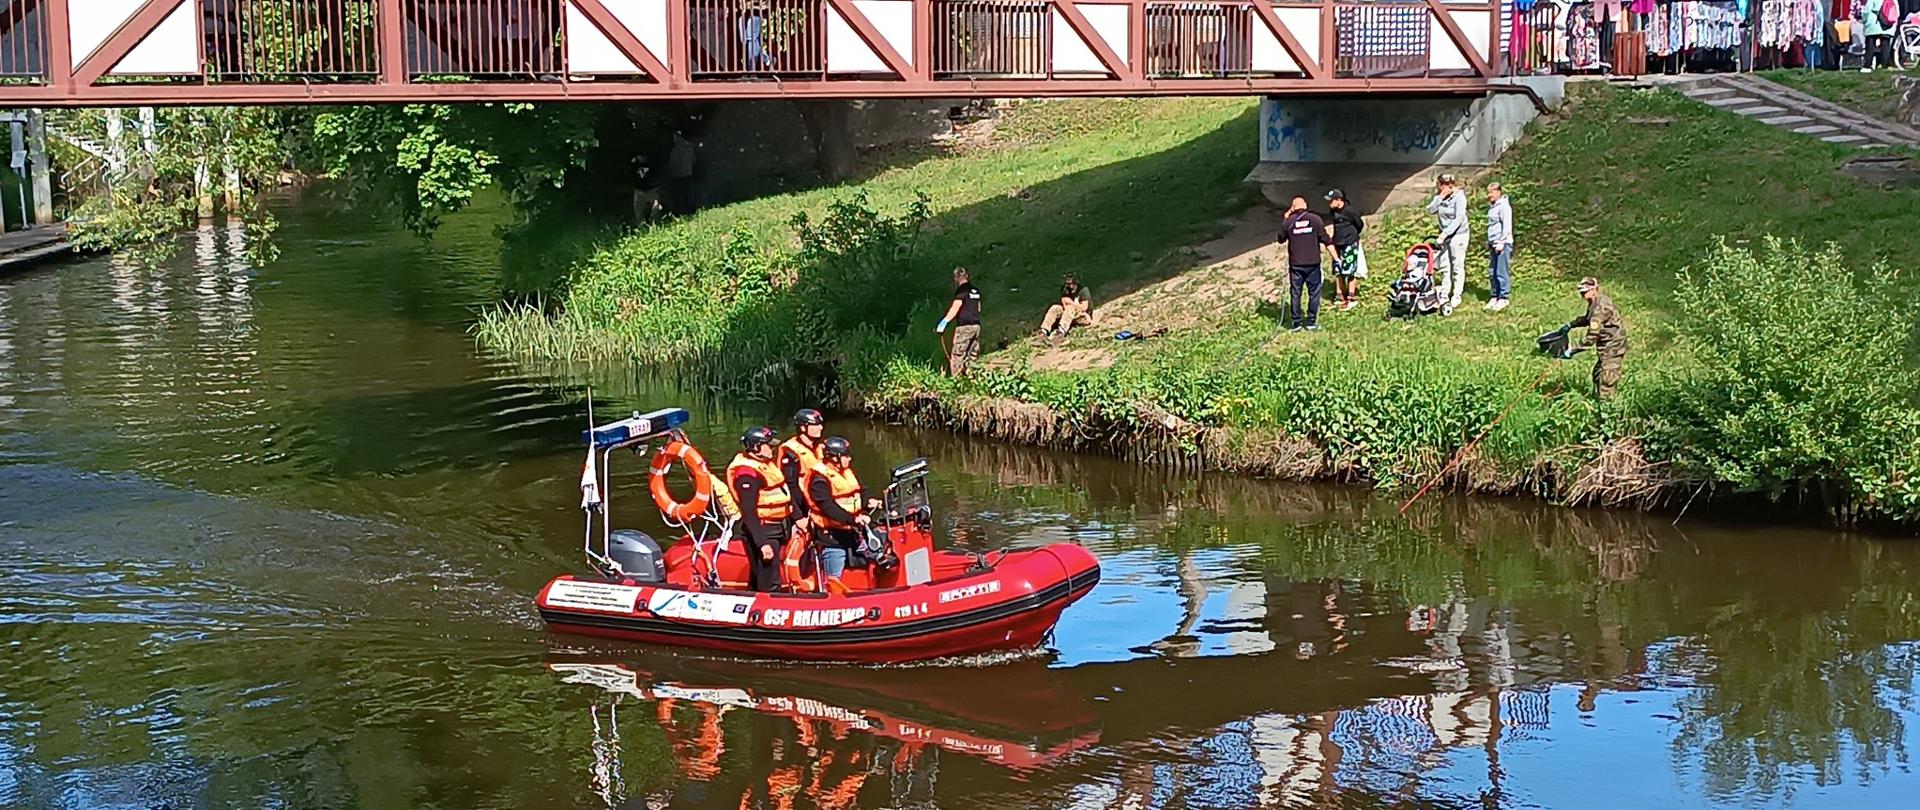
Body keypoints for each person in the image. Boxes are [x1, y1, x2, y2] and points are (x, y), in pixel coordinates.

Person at [802, 436, 884, 585]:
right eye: (846, 455)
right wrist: (853, 519)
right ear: (834, 458)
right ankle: (831, 599)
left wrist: (870, 500)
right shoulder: (818, 478)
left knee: (878, 553)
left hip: (853, 531)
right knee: (834, 577)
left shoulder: (846, 471)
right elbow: (828, 507)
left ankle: (873, 587)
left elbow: (861, 490)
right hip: (832, 536)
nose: (849, 459)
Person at [727, 426, 797, 592]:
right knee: (769, 580)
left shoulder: (764, 464)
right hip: (763, 531)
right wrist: (762, 543)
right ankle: (769, 609)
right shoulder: (746, 474)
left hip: (776, 528)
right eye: (769, 445)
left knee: (761, 576)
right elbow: (748, 512)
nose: (772, 448)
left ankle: (754, 600)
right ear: (756, 448)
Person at [1562, 277, 1628, 401]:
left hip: (1613, 347)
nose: (1583, 295)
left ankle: (1608, 411)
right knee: (1597, 375)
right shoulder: (1595, 302)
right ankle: (1598, 403)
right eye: (1581, 292)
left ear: (1594, 290)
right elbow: (1588, 318)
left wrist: (1573, 349)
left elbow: (1592, 336)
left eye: (1585, 292)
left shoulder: (1600, 308)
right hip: (1606, 346)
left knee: (1606, 381)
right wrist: (1571, 325)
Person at [1277, 196, 1335, 332]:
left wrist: (1285, 219)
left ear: (1293, 208)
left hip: (1296, 264)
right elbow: (1326, 239)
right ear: (1306, 206)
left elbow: (1280, 239)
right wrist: (1336, 257)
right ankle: (1311, 322)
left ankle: (1296, 323)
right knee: (1314, 293)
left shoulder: (1289, 222)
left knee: (1296, 293)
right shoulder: (1315, 220)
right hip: (1313, 263)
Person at [1426, 174, 1469, 316]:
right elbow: (1430, 210)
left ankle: (1457, 294)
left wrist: (1444, 234)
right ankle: (1444, 292)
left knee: (1457, 264)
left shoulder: (1459, 197)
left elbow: (1458, 219)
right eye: (1442, 185)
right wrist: (1439, 197)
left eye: (1447, 185)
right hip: (1443, 236)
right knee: (1444, 265)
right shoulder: (1440, 196)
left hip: (1458, 235)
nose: (1444, 187)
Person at [1325, 189, 1367, 312]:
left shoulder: (1350, 211)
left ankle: (1351, 296)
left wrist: (1352, 236)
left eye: (1331, 201)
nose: (1329, 204)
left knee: (1350, 270)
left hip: (1350, 243)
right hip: (1337, 243)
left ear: (1339, 200)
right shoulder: (1333, 212)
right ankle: (1339, 295)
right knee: (1338, 269)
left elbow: (1359, 224)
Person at [935, 266, 982, 377]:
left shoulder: (961, 291)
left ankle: (957, 382)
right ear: (967, 276)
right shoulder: (975, 290)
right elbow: (979, 308)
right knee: (972, 355)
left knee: (958, 355)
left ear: (956, 278)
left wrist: (944, 322)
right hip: (976, 326)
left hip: (964, 328)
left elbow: (955, 308)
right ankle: (972, 380)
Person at [777, 408, 826, 486]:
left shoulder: (821, 447)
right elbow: (791, 484)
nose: (821, 428)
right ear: (803, 428)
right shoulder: (790, 451)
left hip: (820, 491)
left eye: (820, 424)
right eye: (816, 425)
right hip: (803, 495)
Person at [1485, 182, 1514, 312]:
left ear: (1498, 192)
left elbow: (1507, 226)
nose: (1489, 195)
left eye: (1491, 192)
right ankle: (1494, 295)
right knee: (1492, 271)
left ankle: (1504, 297)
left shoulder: (1504, 207)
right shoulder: (1492, 206)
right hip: (1493, 242)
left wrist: (1502, 242)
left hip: (1502, 243)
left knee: (1501, 271)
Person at [1038, 274, 1095, 340]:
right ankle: (1044, 331)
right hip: (1068, 315)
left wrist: (1071, 303)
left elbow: (1084, 307)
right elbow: (1064, 303)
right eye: (1067, 283)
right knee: (1055, 307)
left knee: (1070, 308)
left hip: (1082, 315)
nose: (1069, 286)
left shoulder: (1083, 290)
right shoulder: (1065, 289)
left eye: (1070, 283)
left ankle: (1061, 332)